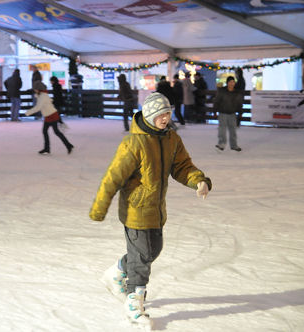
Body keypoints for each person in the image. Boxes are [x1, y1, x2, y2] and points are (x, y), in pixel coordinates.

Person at [89, 92, 212, 326]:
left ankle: (117, 272)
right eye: (161, 115)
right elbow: (112, 177)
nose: (166, 119)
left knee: (153, 250)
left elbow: (183, 166)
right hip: (136, 209)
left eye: (168, 114)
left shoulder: (171, 139)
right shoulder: (133, 143)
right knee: (143, 257)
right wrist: (99, 208)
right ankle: (135, 303)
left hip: (156, 208)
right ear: (149, 115)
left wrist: (199, 180)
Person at [25, 81, 73, 155]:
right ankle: (47, 148)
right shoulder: (41, 96)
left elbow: (38, 107)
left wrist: (28, 112)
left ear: (39, 89)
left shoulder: (43, 96)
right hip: (48, 116)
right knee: (45, 131)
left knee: (56, 132)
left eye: (35, 89)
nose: (34, 90)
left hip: (52, 115)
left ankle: (68, 145)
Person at [214, 76, 243, 152]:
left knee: (233, 130)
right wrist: (214, 111)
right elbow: (216, 101)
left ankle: (234, 145)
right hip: (223, 112)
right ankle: (221, 144)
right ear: (227, 83)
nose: (231, 83)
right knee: (222, 130)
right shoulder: (222, 91)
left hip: (232, 113)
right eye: (230, 82)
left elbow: (239, 103)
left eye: (233, 82)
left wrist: (240, 112)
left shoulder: (236, 92)